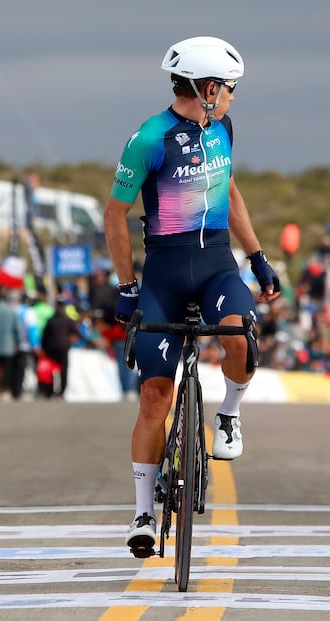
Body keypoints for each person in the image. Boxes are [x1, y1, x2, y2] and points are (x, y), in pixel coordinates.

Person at [103, 36, 281, 557]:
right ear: (207, 90)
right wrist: (126, 286)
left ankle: (228, 412)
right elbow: (115, 213)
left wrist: (257, 255)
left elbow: (229, 189)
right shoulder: (149, 138)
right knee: (155, 396)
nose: (233, 98)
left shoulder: (222, 127)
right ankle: (141, 511)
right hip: (163, 274)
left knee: (240, 338)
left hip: (216, 268)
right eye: (230, 89)